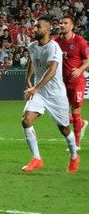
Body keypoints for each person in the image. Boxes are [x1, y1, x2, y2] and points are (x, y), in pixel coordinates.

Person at [21, 16, 80, 173]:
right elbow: (32, 61)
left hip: (55, 94)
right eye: (34, 26)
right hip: (39, 93)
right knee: (26, 120)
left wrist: (35, 88)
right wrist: (27, 79)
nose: (34, 29)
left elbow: (52, 70)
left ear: (47, 30)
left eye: (38, 27)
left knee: (64, 128)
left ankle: (74, 156)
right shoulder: (32, 46)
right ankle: (37, 159)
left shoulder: (54, 48)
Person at [55, 14, 89, 147]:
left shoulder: (80, 41)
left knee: (75, 112)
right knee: (59, 112)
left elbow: (88, 59)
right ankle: (81, 123)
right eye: (61, 23)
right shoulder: (57, 42)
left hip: (76, 82)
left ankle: (76, 144)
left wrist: (80, 70)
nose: (62, 25)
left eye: (65, 23)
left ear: (72, 26)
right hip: (61, 82)